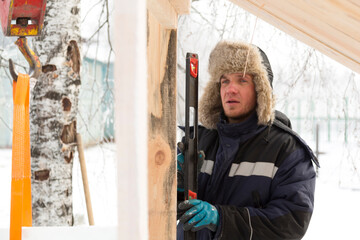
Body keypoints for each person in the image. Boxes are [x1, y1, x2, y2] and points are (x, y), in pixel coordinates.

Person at [177, 40, 319, 240]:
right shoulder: (197, 140)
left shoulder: (287, 151)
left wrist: (222, 220)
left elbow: (291, 223)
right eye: (225, 80)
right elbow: (160, 209)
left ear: (261, 89)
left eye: (242, 80)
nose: (230, 89)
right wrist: (176, 186)